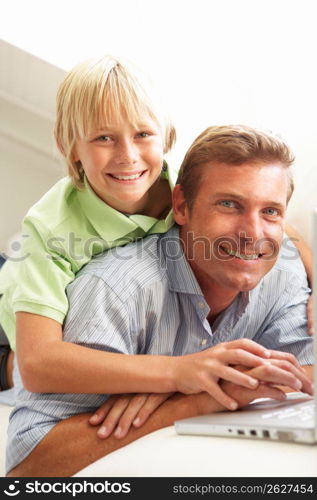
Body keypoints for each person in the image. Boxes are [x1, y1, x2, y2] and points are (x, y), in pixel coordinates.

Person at [6, 125, 313, 477]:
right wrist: (192, 395)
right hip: (18, 306)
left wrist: (211, 387)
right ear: (180, 205)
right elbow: (24, 471)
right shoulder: (117, 288)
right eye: (229, 204)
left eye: (271, 212)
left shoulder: (284, 268)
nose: (254, 233)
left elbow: (306, 370)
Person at [0, 57, 314, 397]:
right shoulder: (48, 233)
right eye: (104, 138)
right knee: (19, 366)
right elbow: (37, 365)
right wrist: (178, 372)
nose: (128, 156)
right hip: (13, 313)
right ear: (69, 148)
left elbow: (269, 223)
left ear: (167, 138)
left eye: (143, 134)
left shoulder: (182, 188)